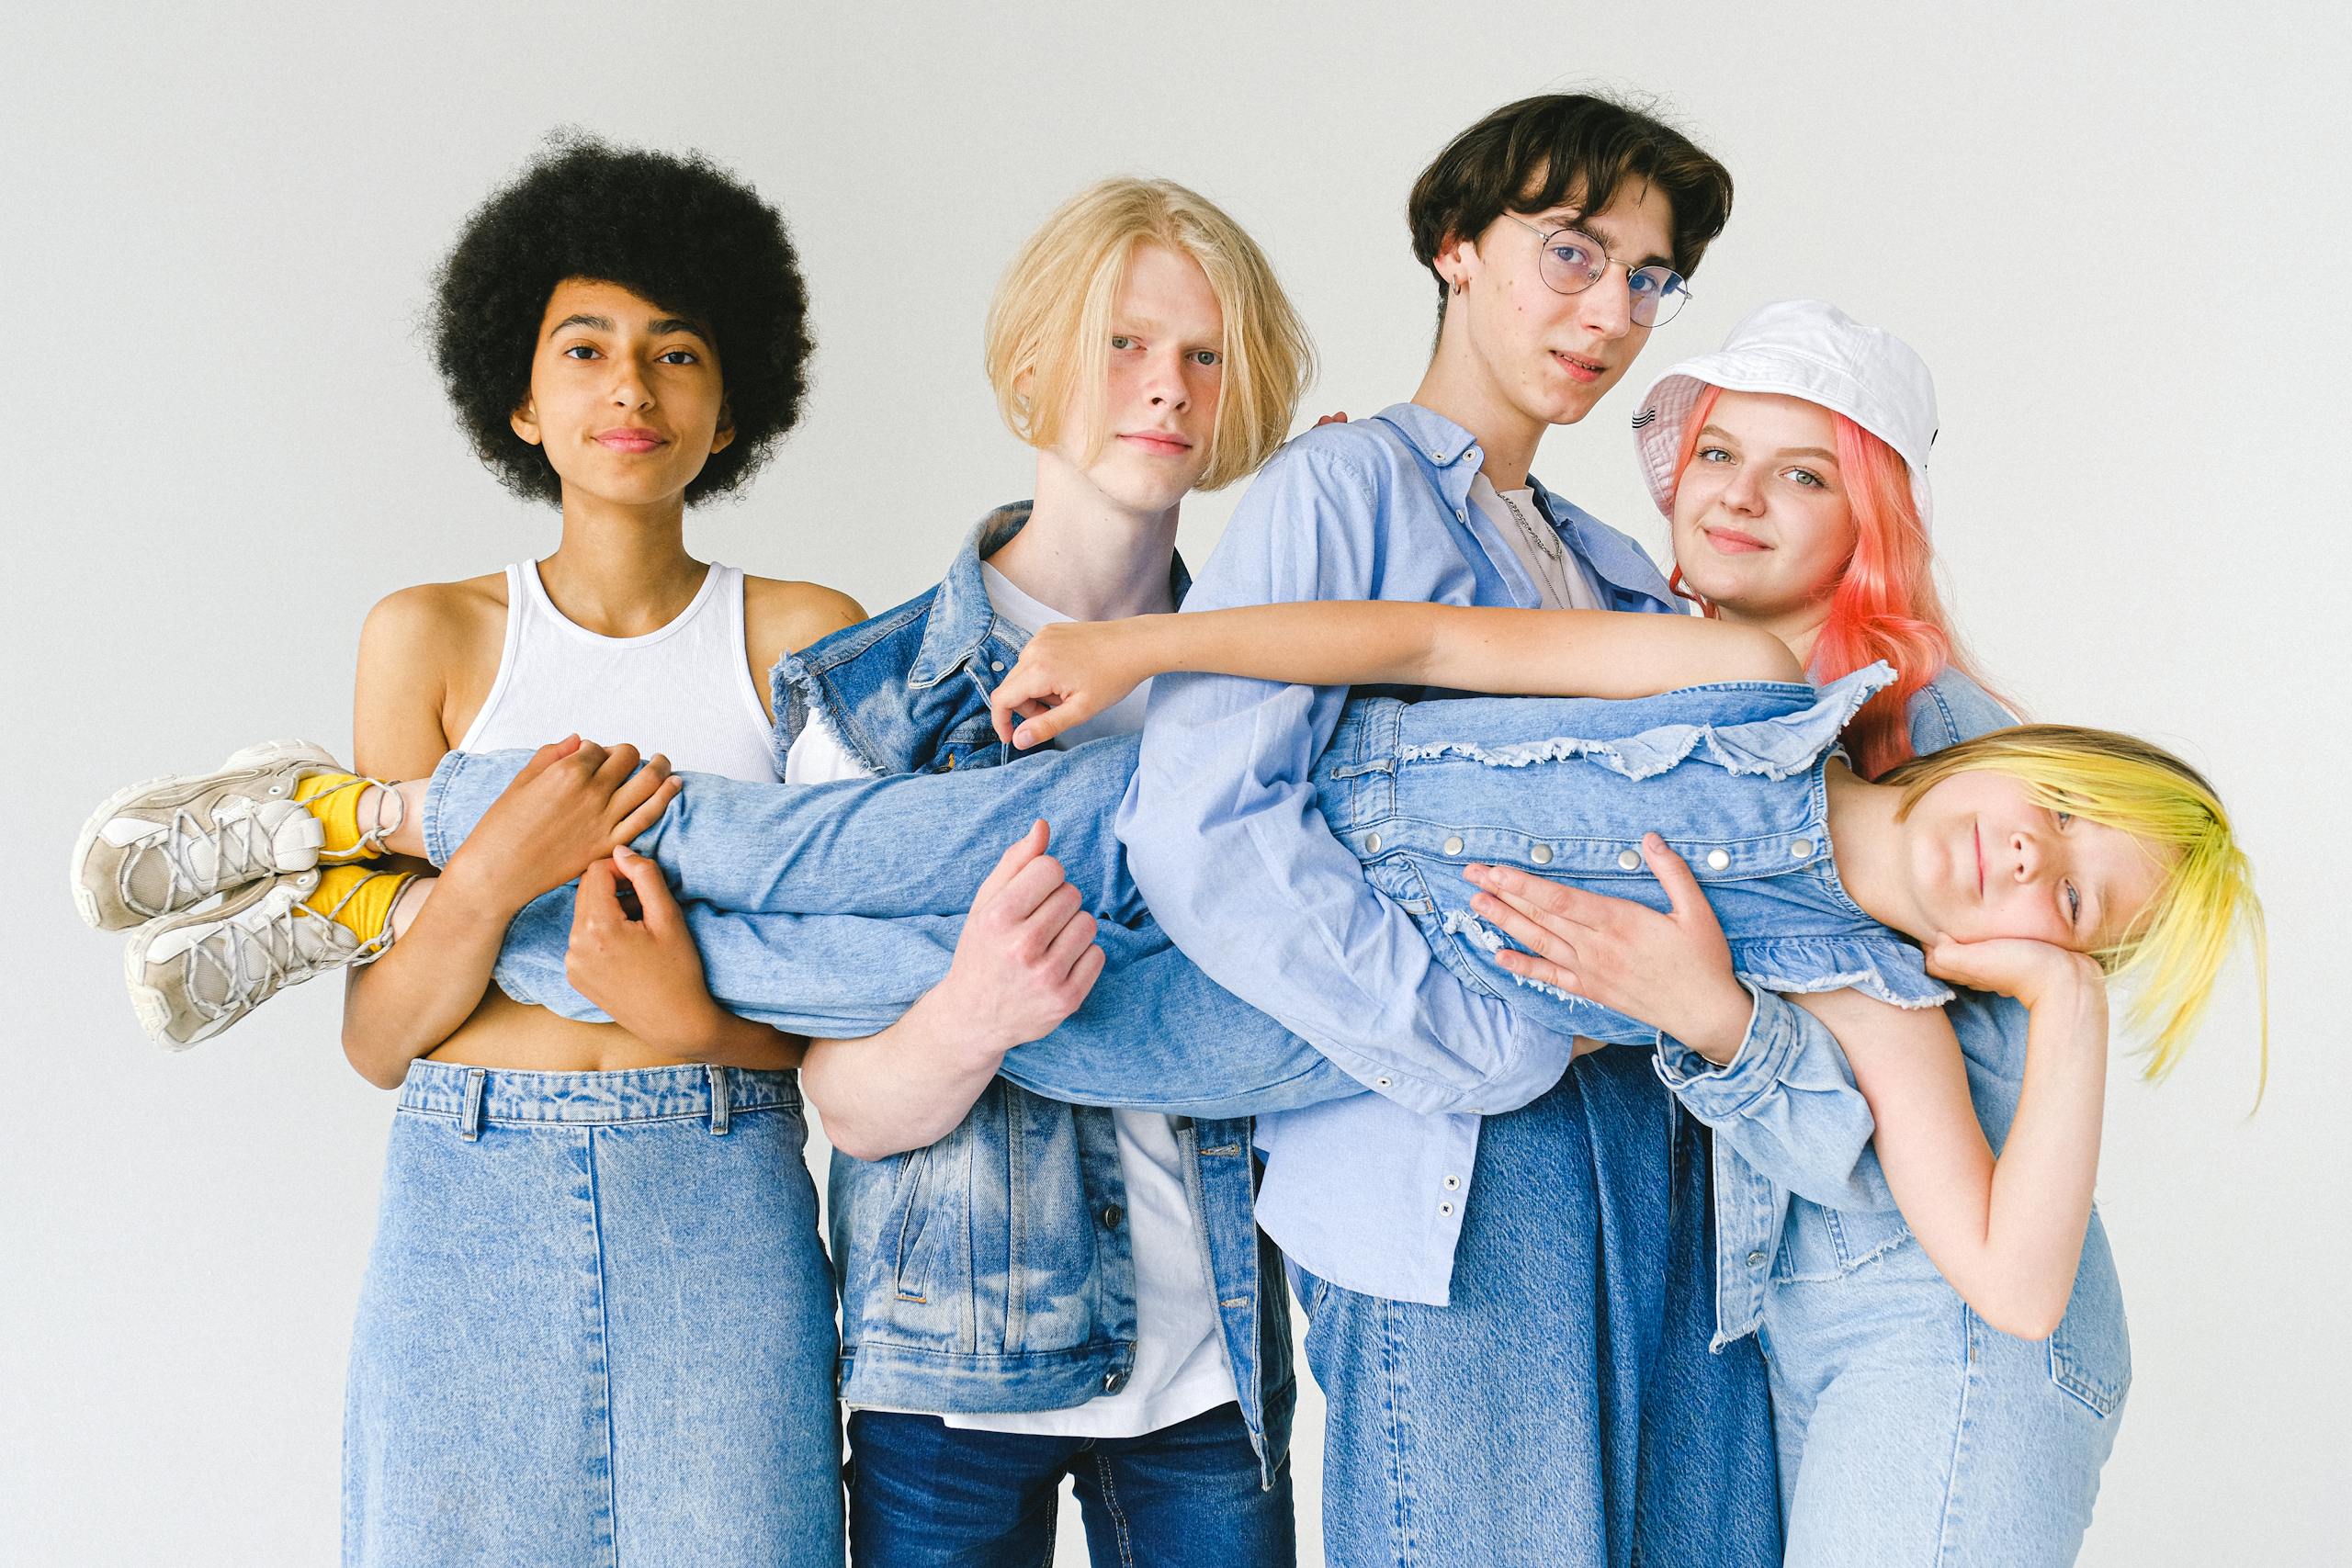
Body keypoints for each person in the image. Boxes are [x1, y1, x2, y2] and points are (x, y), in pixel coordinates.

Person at [72, 137, 864, 1566]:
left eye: (679, 354)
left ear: (733, 402)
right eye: (587, 348)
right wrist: (496, 866)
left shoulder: (805, 636)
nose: (631, 388)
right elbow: (380, 1042)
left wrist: (682, 1016)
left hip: (725, 1200)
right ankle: (335, 835)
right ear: (520, 393)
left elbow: (839, 1003)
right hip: (470, 1194)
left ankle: (304, 821)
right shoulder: (426, 637)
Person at [774, 177, 1314, 1566]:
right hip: (947, 1390)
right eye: (1125, 345)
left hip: (1211, 1386)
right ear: (1035, 371)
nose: (1167, 389)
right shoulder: (875, 698)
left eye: (1204, 355)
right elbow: (840, 1097)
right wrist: (970, 1016)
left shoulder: (1270, 684)